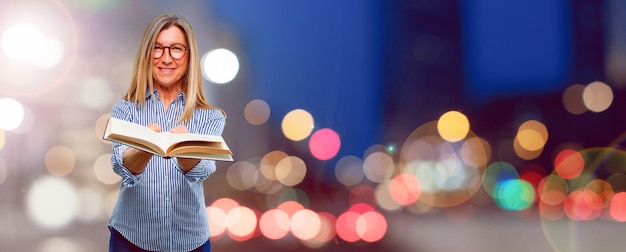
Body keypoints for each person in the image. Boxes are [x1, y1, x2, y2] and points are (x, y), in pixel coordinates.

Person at [107, 14, 225, 252]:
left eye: (176, 49)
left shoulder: (211, 116)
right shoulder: (126, 108)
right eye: (158, 49)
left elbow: (203, 170)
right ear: (147, 55)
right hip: (131, 239)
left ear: (189, 55)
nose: (166, 58)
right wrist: (144, 146)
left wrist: (185, 147)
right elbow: (120, 167)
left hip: (191, 242)